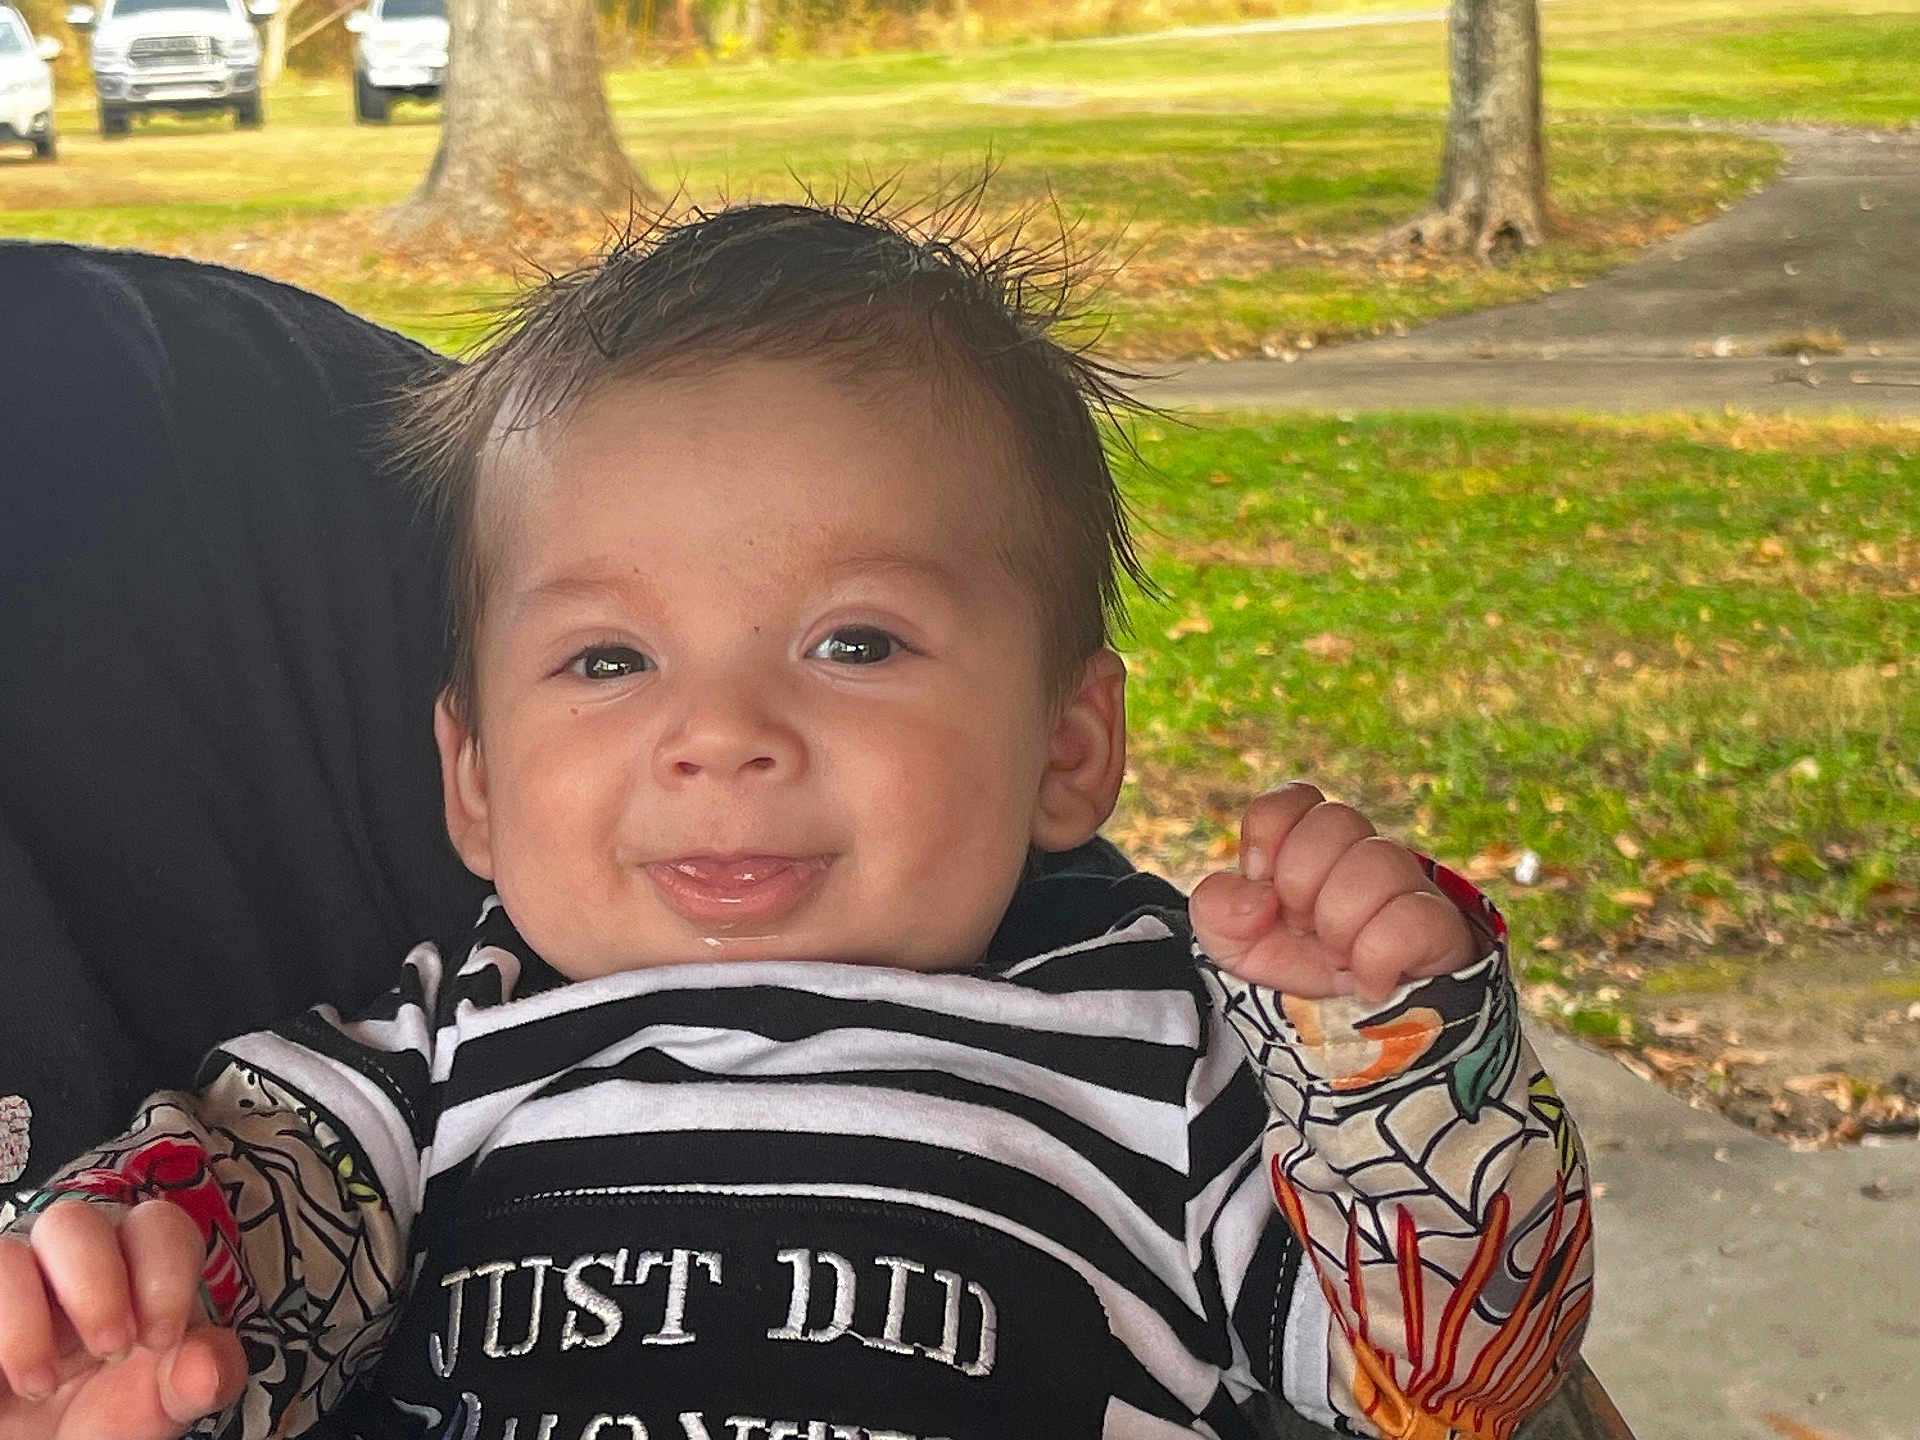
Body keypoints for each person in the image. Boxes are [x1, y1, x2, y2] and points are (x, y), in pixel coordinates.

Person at [0, 200, 1593, 1440]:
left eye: (856, 643)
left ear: (1068, 743)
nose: (722, 736)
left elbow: (1441, 1382)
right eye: (608, 659)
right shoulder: (436, 1057)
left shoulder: (1168, 1059)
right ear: (472, 781)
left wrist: (1391, 1066)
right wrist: (126, 1325)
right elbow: (258, 1244)